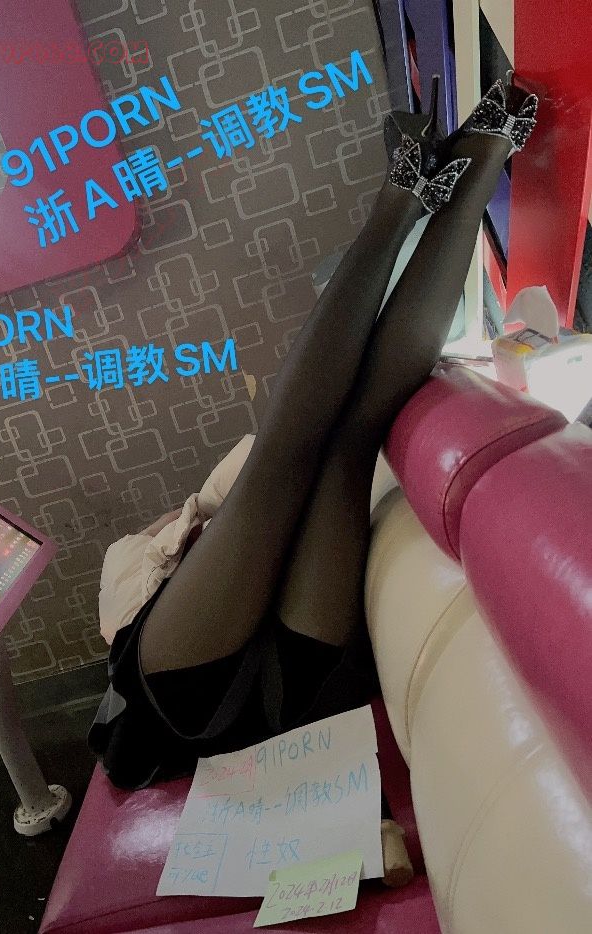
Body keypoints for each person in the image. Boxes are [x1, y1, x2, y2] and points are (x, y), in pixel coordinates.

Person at [89, 76, 539, 801]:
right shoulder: (127, 593)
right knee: (294, 454)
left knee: (340, 443)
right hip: (204, 695)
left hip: (267, 689)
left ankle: (478, 161)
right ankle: (407, 191)